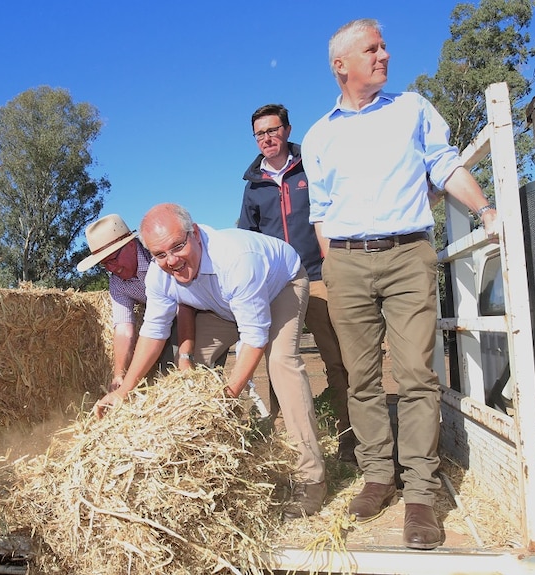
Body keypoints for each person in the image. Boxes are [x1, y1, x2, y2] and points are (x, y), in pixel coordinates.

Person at [301, 18, 498, 549]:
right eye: (372, 48)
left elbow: (445, 165)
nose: (384, 55)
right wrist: (334, 263)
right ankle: (377, 477)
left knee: (415, 373)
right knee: (360, 377)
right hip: (344, 261)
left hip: (409, 254)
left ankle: (419, 495)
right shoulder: (319, 134)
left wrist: (485, 211)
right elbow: (321, 210)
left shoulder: (412, 110)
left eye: (385, 46)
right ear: (341, 65)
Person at [94, 203, 326, 520]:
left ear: (197, 235)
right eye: (160, 255)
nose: (171, 260)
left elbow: (255, 336)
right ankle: (204, 467)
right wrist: (124, 389)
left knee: (281, 364)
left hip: (280, 287)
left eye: (178, 247)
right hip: (224, 307)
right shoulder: (160, 275)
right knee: (187, 376)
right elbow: (153, 331)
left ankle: (310, 480)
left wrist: (228, 395)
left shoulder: (237, 259)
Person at [238, 103, 356, 464]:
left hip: (319, 276)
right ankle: (291, 445)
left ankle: (351, 440)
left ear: (287, 130)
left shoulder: (312, 167)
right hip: (279, 286)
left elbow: (337, 210)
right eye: (260, 133)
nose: (267, 138)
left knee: (338, 360)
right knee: (278, 363)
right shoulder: (253, 186)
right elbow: (248, 237)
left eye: (273, 130)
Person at [77, 214, 188, 390]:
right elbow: (123, 329)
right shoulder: (117, 283)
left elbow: (186, 302)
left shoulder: (159, 258)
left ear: (130, 244)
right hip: (161, 324)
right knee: (159, 376)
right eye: (105, 264)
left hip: (193, 313)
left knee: (189, 370)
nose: (112, 268)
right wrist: (119, 374)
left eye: (113, 259)